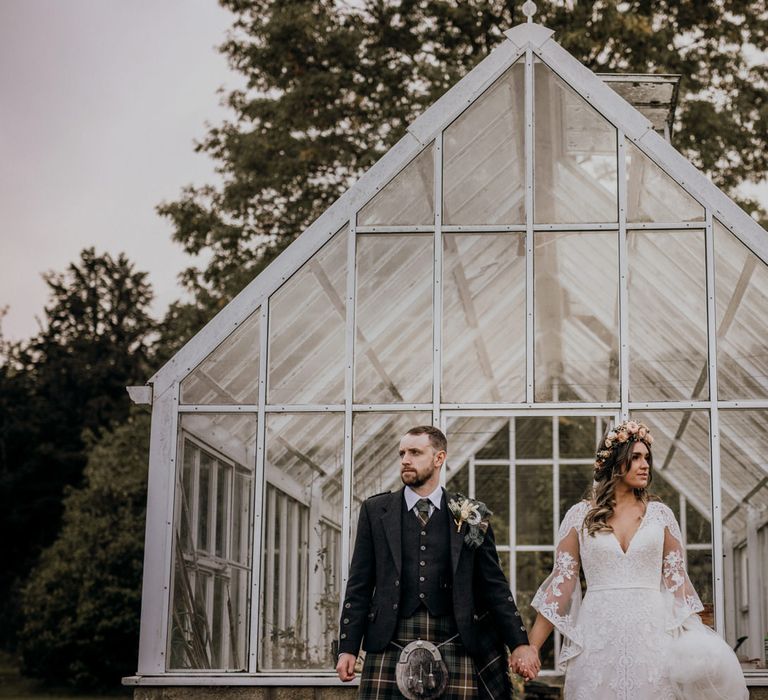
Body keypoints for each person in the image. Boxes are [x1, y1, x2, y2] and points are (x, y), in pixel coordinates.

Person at [528, 420, 748, 700]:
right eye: (635, 458)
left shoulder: (662, 515)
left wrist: (699, 646)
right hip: (597, 634)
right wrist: (533, 647)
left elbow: (677, 586)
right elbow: (562, 583)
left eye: (647, 458)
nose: (645, 465)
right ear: (614, 463)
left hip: (653, 635)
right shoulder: (580, 516)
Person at [336, 425, 541, 698]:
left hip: (454, 639)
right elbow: (359, 584)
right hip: (390, 640)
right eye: (402, 453)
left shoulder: (471, 515)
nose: (405, 459)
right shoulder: (376, 511)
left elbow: (494, 585)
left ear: (439, 458)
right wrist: (347, 647)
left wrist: (519, 643)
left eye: (415, 452)